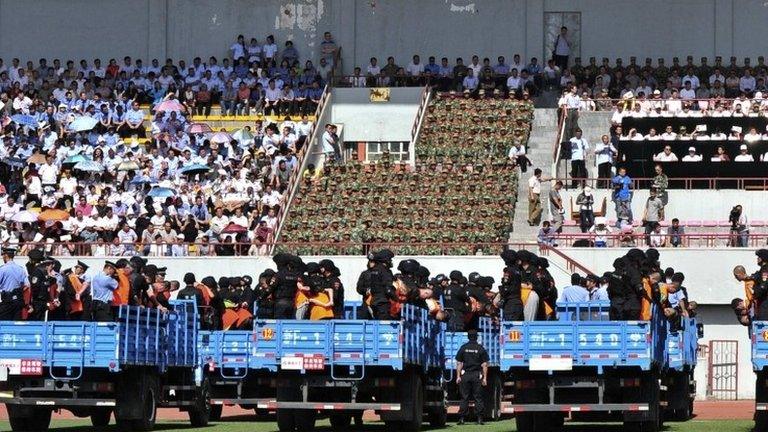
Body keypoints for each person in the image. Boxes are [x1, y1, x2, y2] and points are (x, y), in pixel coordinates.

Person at [455, 329, 489, 426]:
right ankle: (479, 419)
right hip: (476, 375)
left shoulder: (463, 348)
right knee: (478, 397)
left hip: (465, 375)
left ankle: (462, 419)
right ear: (477, 337)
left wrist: (458, 376)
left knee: (464, 397)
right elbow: (484, 364)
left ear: (468, 337)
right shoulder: (480, 348)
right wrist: (485, 378)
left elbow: (459, 363)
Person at [0, 247, 29, 320]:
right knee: (16, 323)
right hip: (18, 300)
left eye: (3, 255)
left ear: (5, 256)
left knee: (4, 324)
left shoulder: (3, 269)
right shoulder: (21, 269)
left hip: (7, 300)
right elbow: (27, 285)